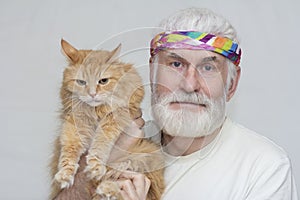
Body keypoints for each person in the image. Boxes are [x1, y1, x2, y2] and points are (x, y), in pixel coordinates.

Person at [55, 8, 298, 200]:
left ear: (231, 85)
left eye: (208, 67)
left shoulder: (265, 167)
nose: (190, 85)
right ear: (152, 74)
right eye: (176, 64)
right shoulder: (125, 138)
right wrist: (103, 158)